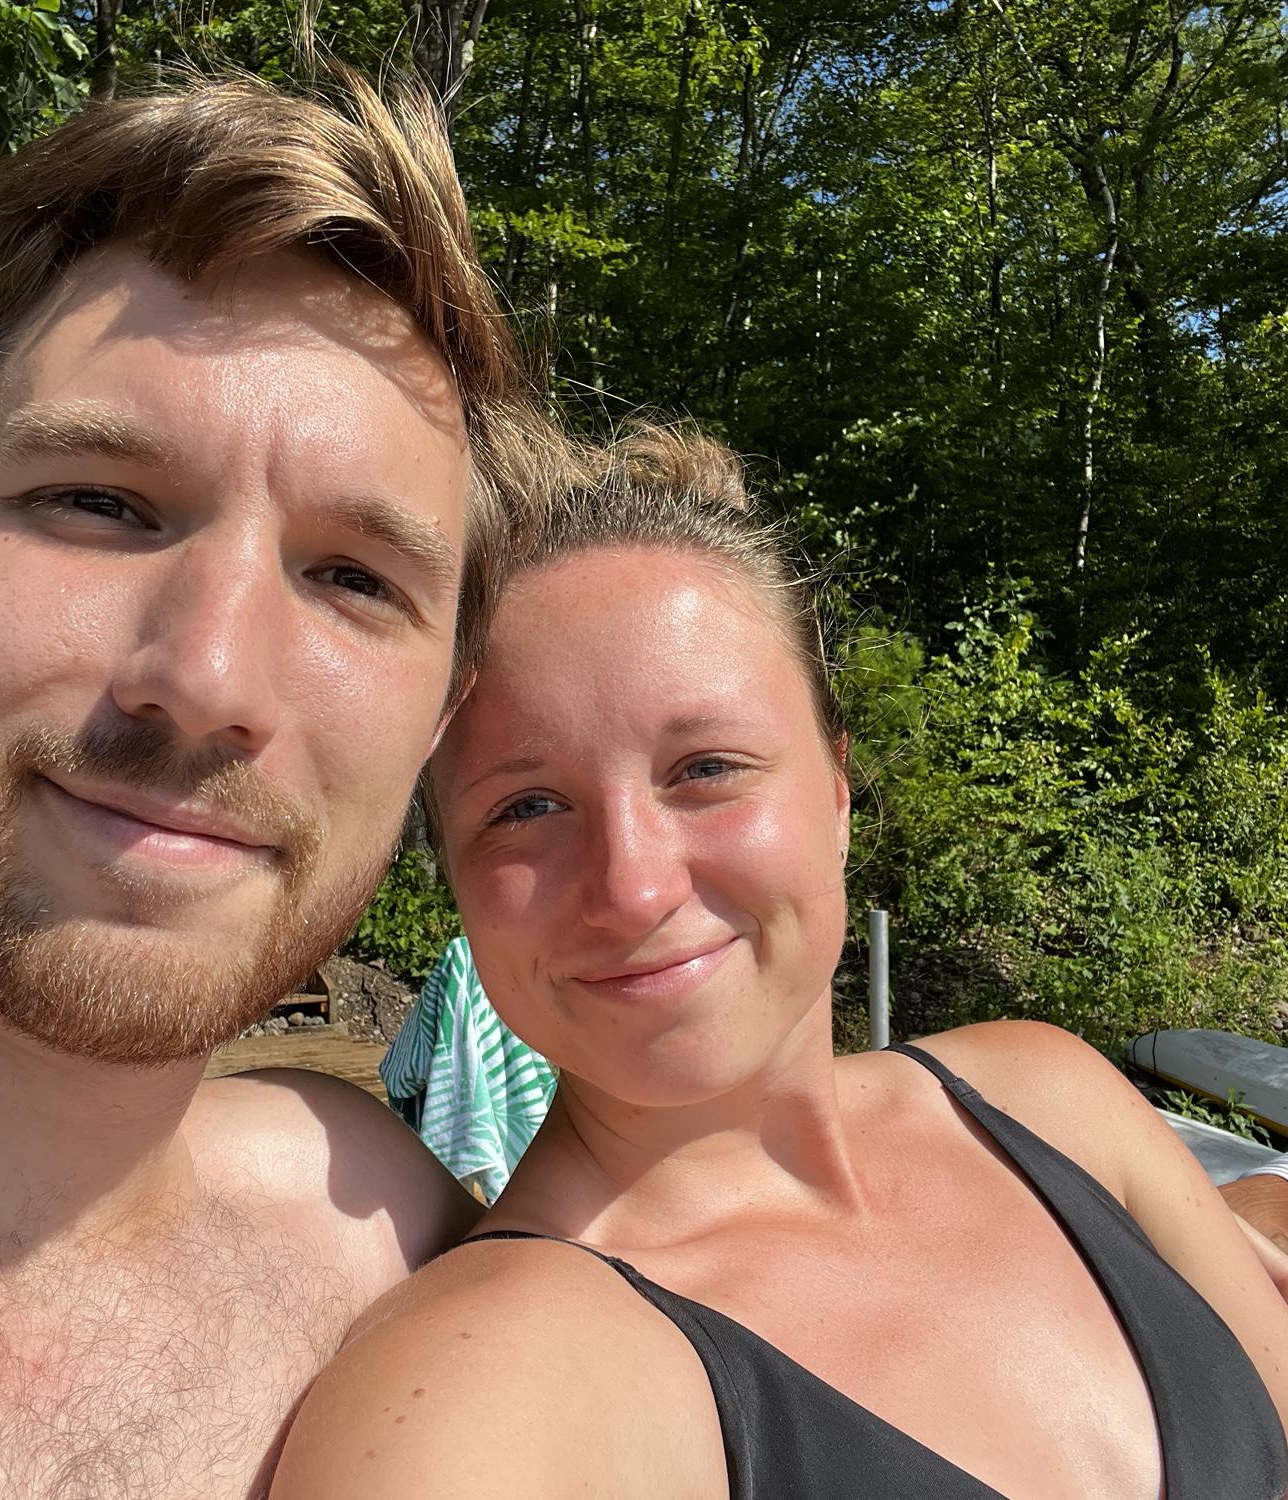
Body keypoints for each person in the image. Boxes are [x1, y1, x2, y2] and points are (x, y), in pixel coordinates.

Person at [0, 66, 569, 1497]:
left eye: (353, 578)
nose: (206, 678)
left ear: (438, 722)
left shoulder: (405, 1247)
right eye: (98, 502)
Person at [279, 427, 1288, 1499]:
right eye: (527, 807)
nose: (634, 887)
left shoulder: (1052, 1100)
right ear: (453, 872)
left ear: (838, 795)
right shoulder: (489, 1388)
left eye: (705, 768)